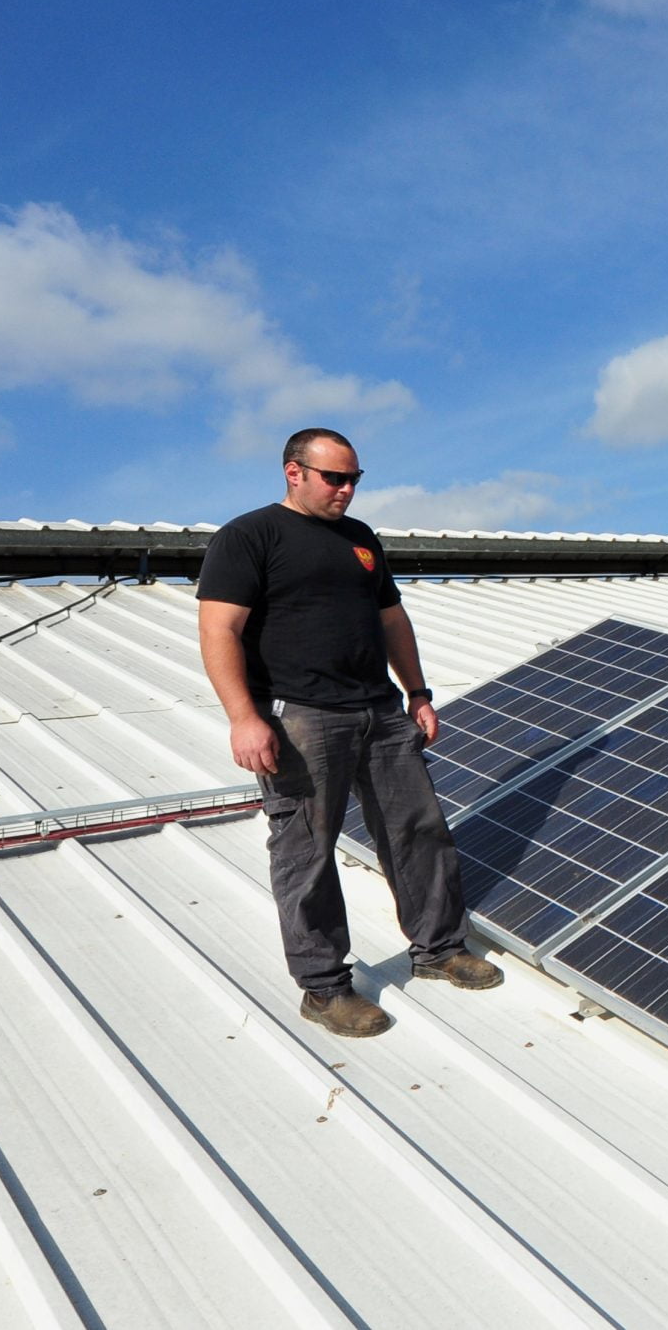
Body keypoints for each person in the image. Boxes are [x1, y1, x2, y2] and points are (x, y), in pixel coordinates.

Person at [197, 427, 501, 1037]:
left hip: (381, 712)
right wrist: (244, 717)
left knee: (418, 831)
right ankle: (325, 987)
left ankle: (439, 949)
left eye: (354, 478)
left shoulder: (361, 540)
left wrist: (417, 693)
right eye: (334, 477)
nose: (346, 489)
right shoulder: (249, 536)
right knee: (306, 852)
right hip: (302, 717)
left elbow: (392, 618)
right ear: (294, 472)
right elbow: (218, 630)